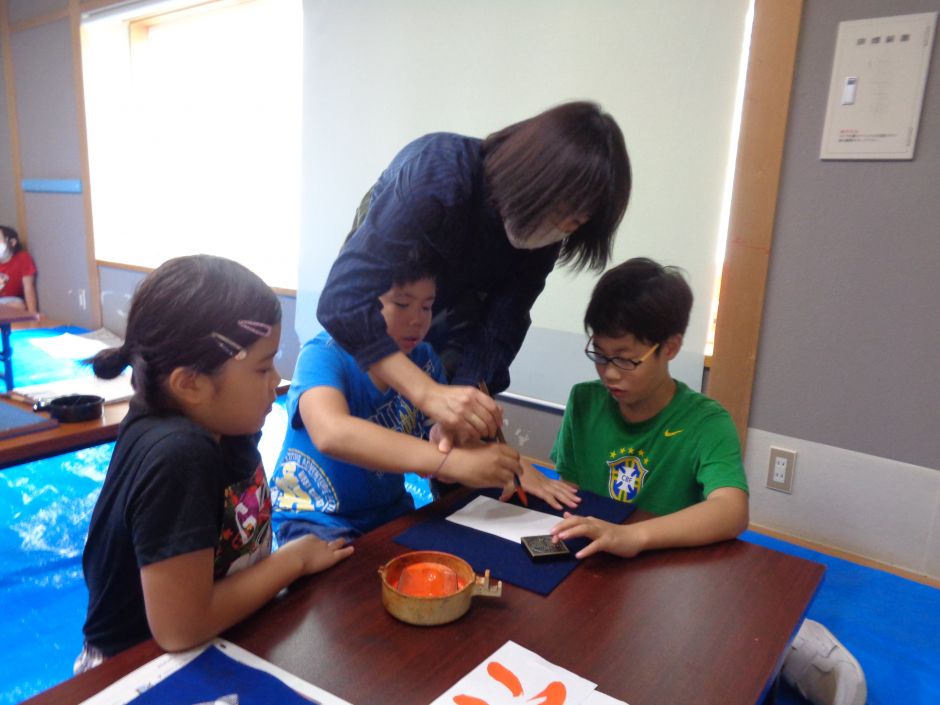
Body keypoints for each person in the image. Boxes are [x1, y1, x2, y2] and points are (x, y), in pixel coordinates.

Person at [548, 257, 866, 705]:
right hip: (602, 573)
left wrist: (633, 536)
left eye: (626, 358)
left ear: (671, 347)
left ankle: (791, 635)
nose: (609, 372)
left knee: (707, 670)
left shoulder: (705, 421)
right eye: (599, 354)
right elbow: (570, 493)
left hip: (675, 576)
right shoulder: (584, 402)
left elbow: (731, 510)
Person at [76, 255, 354, 673]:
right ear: (190, 384)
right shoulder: (178, 455)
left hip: (216, 639)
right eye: (262, 367)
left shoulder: (225, 424)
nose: (276, 381)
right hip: (137, 671)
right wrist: (293, 560)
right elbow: (180, 627)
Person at [317, 101, 631, 451]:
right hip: (373, 309)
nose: (559, 230)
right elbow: (342, 302)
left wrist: (461, 409)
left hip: (451, 316)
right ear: (536, 179)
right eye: (561, 212)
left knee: (451, 427)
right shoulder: (438, 175)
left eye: (574, 224)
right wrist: (428, 394)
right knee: (364, 396)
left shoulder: (541, 244)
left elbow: (501, 327)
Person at [271, 257, 579, 545]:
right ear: (360, 306)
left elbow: (440, 442)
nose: (417, 320)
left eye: (427, 306)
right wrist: (451, 461)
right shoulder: (324, 354)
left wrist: (509, 462)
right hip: (315, 521)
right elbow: (332, 433)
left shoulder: (424, 360)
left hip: (389, 513)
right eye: (402, 304)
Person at [0, 225, 38, 314]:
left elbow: (28, 287)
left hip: (12, 300)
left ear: (12, 242)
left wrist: (33, 313)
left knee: (19, 306)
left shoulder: (22, 258)